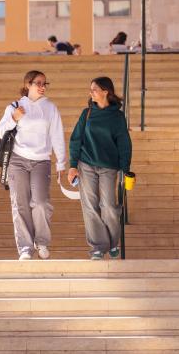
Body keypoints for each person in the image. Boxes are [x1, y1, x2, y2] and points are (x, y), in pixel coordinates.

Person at [0, 70, 66, 260]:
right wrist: (14, 118)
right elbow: (0, 130)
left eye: (45, 83)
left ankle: (42, 242)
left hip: (41, 160)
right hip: (17, 160)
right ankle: (25, 248)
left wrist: (61, 163)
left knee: (41, 203)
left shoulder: (50, 108)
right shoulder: (15, 106)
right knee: (20, 204)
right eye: (38, 83)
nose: (43, 87)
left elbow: (57, 135)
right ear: (28, 84)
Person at [68, 77, 132, 260]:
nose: (91, 92)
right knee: (90, 206)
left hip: (109, 167)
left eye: (94, 89)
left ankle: (112, 243)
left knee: (110, 206)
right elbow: (76, 139)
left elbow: (124, 143)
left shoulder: (117, 116)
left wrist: (125, 168)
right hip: (86, 164)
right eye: (90, 89)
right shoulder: (86, 113)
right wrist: (73, 165)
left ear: (106, 91)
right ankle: (97, 247)